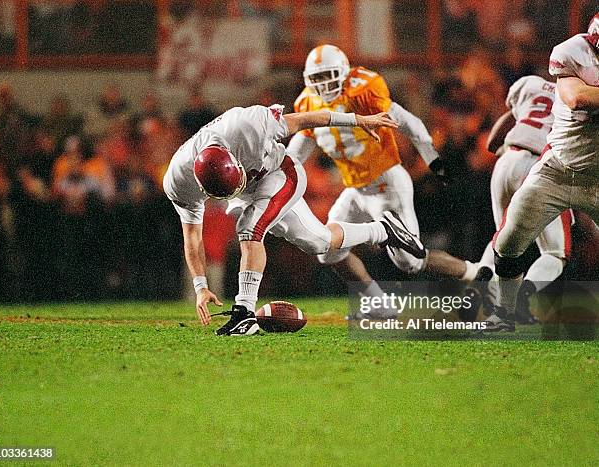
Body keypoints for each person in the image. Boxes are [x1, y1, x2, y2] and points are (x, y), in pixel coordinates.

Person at [163, 103, 419, 335]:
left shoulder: (247, 125)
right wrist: (200, 286)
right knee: (319, 242)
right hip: (251, 189)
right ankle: (383, 230)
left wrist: (358, 120)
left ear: (236, 161)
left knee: (250, 227)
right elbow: (192, 235)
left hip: (279, 173)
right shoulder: (179, 181)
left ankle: (244, 313)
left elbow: (307, 119)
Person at [286, 44, 478, 315]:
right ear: (308, 80)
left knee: (410, 262)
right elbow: (301, 146)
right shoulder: (307, 103)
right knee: (327, 251)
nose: (324, 84)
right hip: (355, 189)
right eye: (317, 78)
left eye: (329, 75)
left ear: (343, 72)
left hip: (386, 183)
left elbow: (408, 122)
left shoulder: (363, 90)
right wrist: (279, 168)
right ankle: (379, 303)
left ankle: (476, 272)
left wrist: (432, 158)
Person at [488, 14, 599, 331]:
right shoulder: (572, 52)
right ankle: (505, 313)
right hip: (555, 171)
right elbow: (577, 98)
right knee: (507, 244)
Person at [465, 76, 573, 326]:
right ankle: (522, 300)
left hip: (507, 160)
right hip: (541, 168)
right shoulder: (579, 96)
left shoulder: (530, 84)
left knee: (502, 240)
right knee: (556, 253)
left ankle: (479, 283)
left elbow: (496, 138)